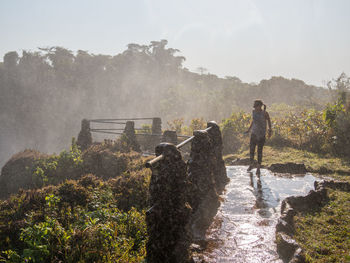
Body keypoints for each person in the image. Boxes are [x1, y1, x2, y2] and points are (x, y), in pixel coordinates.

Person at [245, 100, 272, 175]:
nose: (255, 108)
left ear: (260, 106)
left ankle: (258, 168)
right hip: (254, 133)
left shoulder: (265, 113)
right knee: (252, 150)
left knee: (259, 151)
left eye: (256, 106)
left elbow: (269, 121)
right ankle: (251, 164)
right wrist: (249, 129)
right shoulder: (254, 112)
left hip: (261, 135)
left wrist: (270, 130)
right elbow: (253, 121)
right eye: (255, 106)